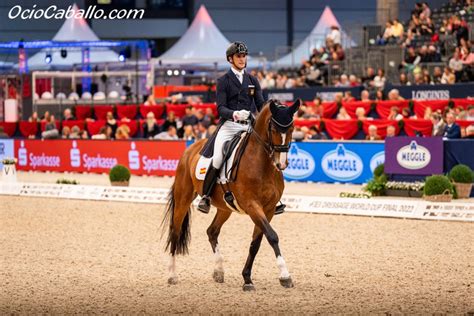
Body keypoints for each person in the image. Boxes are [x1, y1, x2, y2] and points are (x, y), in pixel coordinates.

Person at [198, 41, 264, 214]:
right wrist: (234, 114)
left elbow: (261, 105)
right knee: (219, 157)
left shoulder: (252, 80)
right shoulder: (224, 81)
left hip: (248, 127)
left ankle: (273, 196)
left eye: (244, 56)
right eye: (238, 56)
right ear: (230, 59)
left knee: (265, 153)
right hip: (229, 126)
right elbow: (220, 108)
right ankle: (205, 196)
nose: (242, 59)